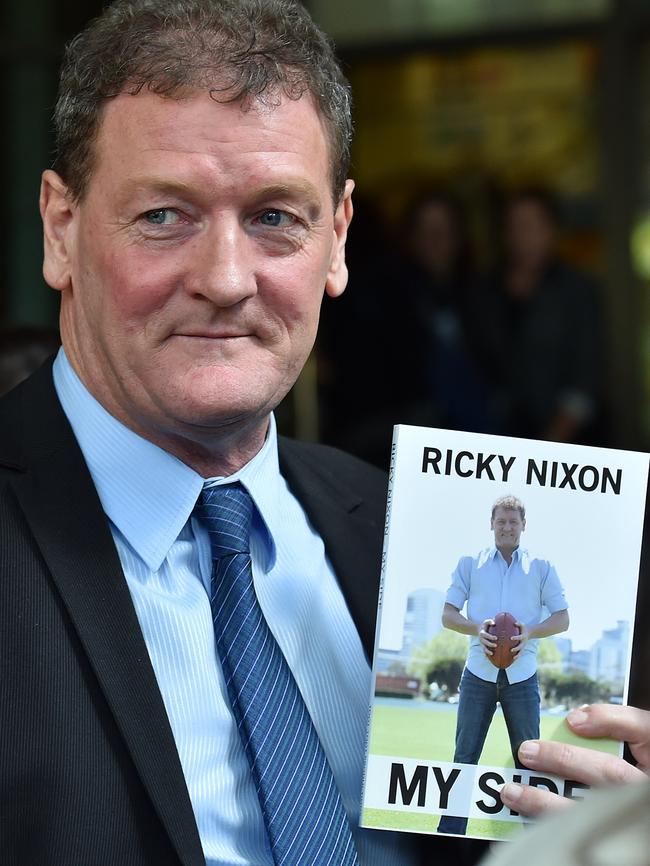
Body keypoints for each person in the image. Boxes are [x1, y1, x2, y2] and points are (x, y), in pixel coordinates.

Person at [0, 2, 644, 864]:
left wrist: (607, 837)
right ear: (60, 227)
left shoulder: (399, 526)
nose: (227, 280)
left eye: (274, 218)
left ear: (336, 239)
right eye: (164, 215)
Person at [437, 495, 569, 836]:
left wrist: (531, 632)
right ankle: (449, 834)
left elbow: (562, 618)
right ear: (491, 524)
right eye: (501, 521)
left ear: (524, 525)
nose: (507, 527)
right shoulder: (470, 563)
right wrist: (476, 628)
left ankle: (535, 840)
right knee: (464, 757)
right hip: (477, 674)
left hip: (523, 678)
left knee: (530, 761)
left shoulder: (541, 566)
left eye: (513, 521)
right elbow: (448, 615)